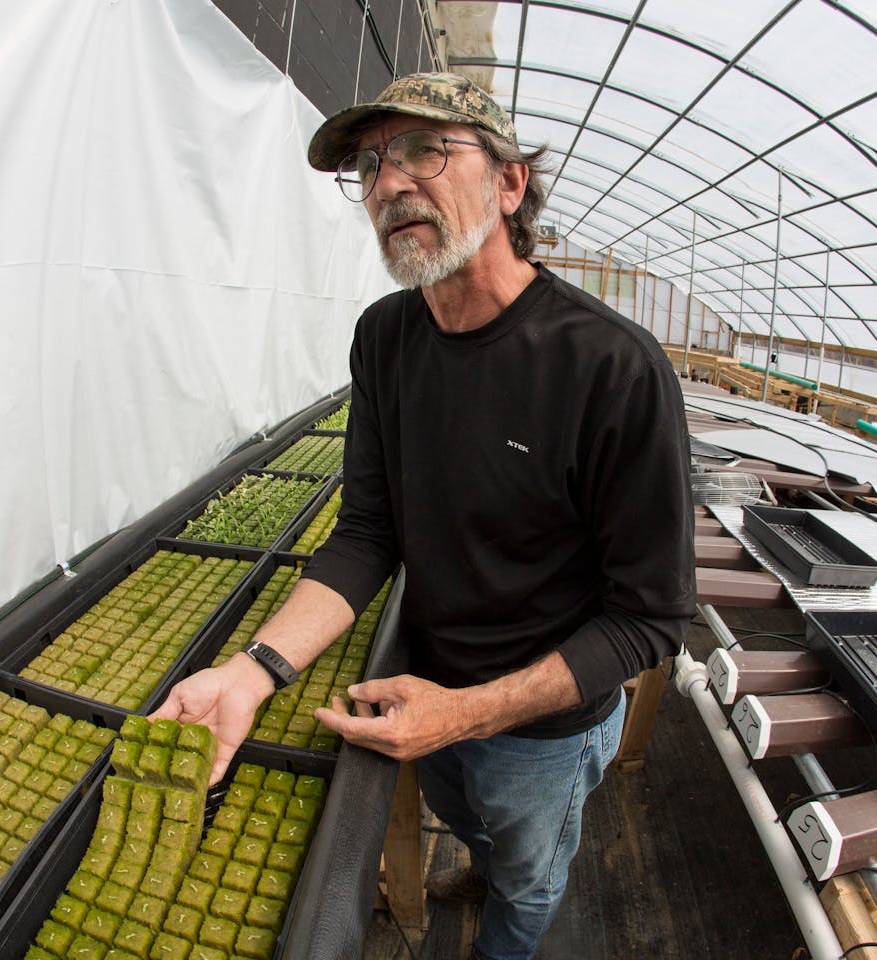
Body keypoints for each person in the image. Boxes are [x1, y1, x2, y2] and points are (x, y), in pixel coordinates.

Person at [152, 72, 695, 960]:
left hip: (541, 731)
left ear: (510, 183)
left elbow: (651, 617)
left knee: (530, 876)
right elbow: (369, 534)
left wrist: (470, 713)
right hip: (426, 690)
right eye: (369, 165)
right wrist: (253, 673)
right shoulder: (385, 337)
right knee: (473, 828)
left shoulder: (610, 367)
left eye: (423, 150)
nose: (390, 183)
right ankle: (478, 862)